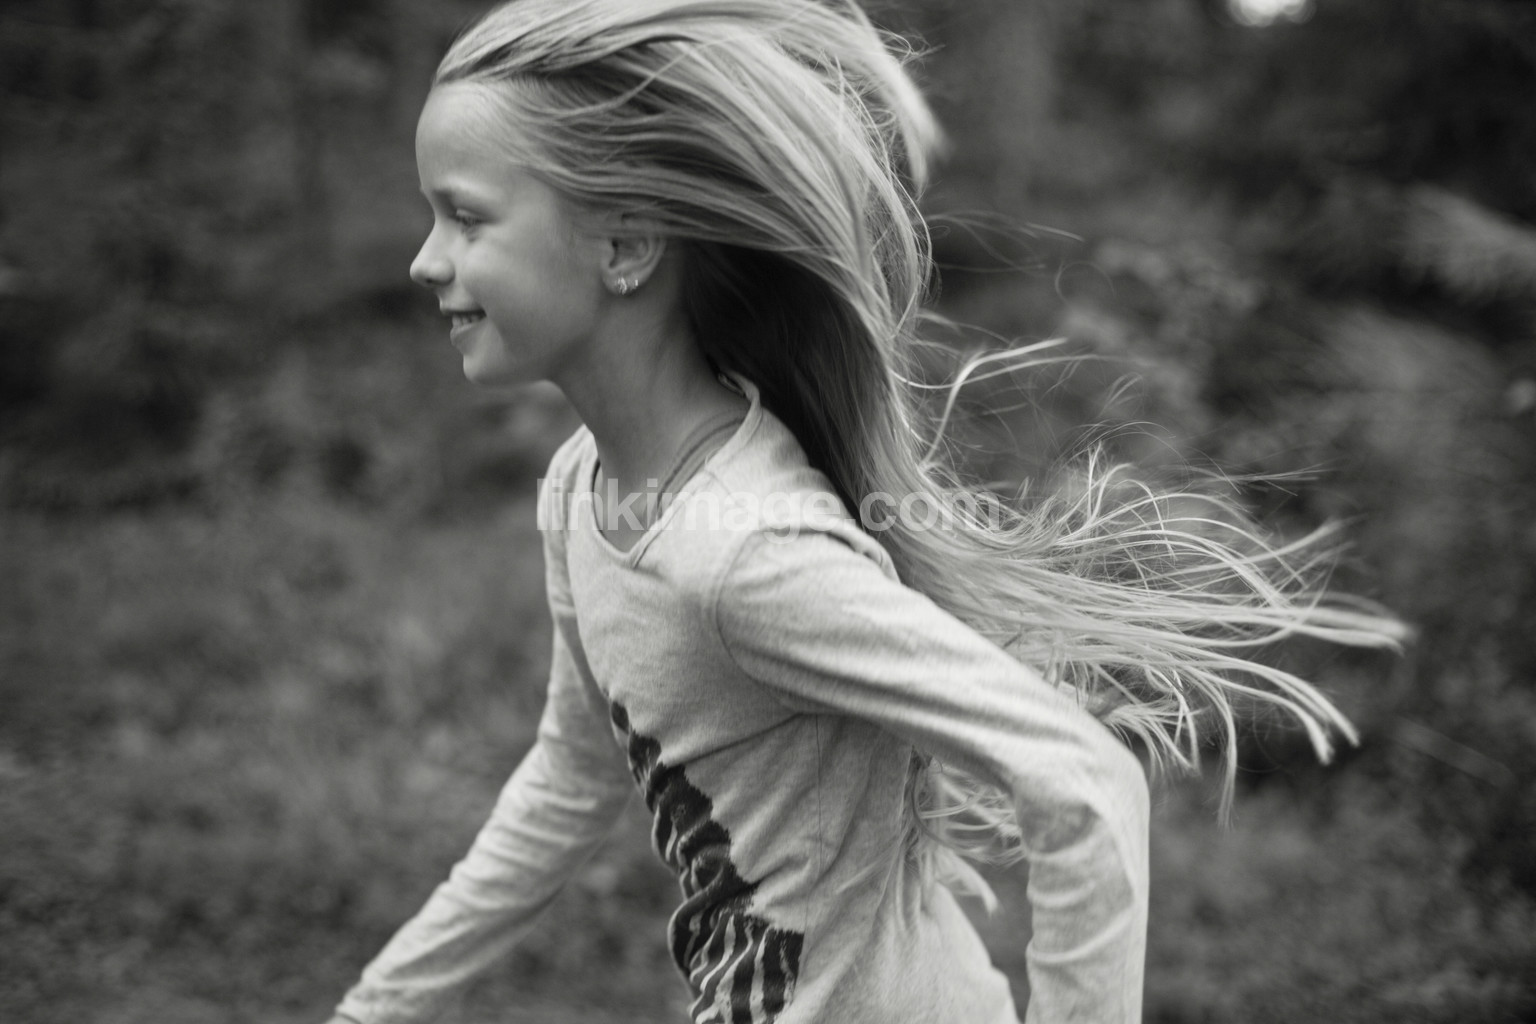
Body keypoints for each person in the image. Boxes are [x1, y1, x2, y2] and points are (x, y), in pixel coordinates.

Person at [325, 1, 1405, 1022]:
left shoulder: (746, 555)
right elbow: (569, 779)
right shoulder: (583, 490)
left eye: (465, 216)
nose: (425, 260)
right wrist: (378, 1005)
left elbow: (1085, 782)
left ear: (626, 246)